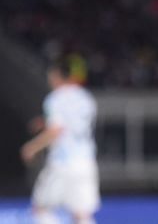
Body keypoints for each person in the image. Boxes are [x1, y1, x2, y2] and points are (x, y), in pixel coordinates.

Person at [20, 58, 100, 224]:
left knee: (40, 208)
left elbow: (57, 131)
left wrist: (32, 147)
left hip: (62, 162)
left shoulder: (55, 99)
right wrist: (44, 122)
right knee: (81, 215)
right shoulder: (86, 98)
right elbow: (73, 123)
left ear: (57, 76)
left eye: (51, 76)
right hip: (85, 162)